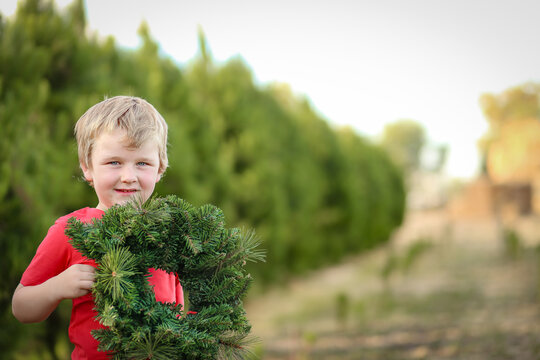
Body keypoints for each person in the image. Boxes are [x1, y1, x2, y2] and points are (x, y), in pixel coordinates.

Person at [11, 96, 184, 359]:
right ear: (87, 167)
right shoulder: (71, 230)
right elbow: (21, 307)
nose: (128, 176)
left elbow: (177, 314)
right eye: (114, 162)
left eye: (142, 163)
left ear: (159, 168)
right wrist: (58, 286)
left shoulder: (169, 234)